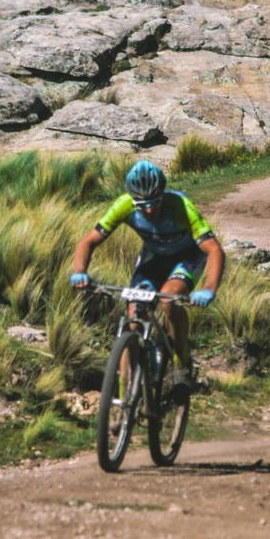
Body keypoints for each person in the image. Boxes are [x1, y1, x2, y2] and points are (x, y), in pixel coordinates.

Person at [70, 159, 224, 379]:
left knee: (168, 299)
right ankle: (126, 390)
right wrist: (79, 272)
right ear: (132, 199)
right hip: (154, 257)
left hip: (187, 257)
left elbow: (214, 249)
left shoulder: (180, 205)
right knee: (133, 317)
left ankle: (181, 359)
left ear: (163, 194)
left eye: (155, 202)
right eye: (142, 204)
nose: (150, 209)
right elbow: (89, 241)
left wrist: (209, 289)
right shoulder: (123, 205)